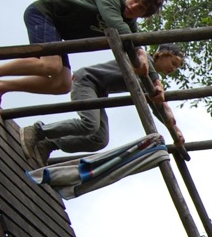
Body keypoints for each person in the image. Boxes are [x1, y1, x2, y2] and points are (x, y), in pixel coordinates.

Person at [0, 0, 166, 117]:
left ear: (143, 15)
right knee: (50, 65)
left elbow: (136, 44)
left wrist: (156, 82)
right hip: (44, 14)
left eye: (140, 8)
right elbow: (117, 26)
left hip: (57, 32)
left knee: (63, 84)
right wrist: (139, 51)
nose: (134, 5)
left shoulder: (129, 25)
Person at [20, 43, 186, 168]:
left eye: (177, 67)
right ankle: (37, 131)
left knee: (99, 139)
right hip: (86, 81)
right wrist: (173, 125)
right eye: (174, 62)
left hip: (98, 92)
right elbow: (158, 95)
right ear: (162, 54)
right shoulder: (142, 60)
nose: (174, 68)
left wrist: (175, 129)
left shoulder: (148, 79)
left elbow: (158, 104)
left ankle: (49, 144)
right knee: (89, 124)